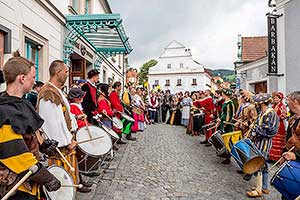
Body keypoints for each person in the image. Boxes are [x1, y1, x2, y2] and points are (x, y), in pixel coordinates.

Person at [0, 51, 61, 199]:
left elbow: (27, 134)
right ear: (22, 78)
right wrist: (47, 177)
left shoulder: (22, 104)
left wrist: (43, 144)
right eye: (33, 77)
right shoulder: (4, 111)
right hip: (14, 187)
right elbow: (16, 155)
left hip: (28, 180)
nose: (35, 81)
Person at [37, 60, 91, 193]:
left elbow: (61, 116)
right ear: (58, 72)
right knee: (61, 181)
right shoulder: (48, 93)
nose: (67, 74)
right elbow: (51, 124)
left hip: (66, 142)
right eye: (66, 72)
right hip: (61, 146)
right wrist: (67, 141)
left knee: (69, 177)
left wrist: (75, 119)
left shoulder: (56, 91)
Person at [246, 93, 279, 198]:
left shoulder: (271, 113)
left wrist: (255, 128)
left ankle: (258, 190)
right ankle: (264, 187)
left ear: (261, 103)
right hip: (258, 142)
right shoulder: (263, 113)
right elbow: (258, 124)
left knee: (258, 164)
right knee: (263, 165)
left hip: (264, 143)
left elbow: (271, 130)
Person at [216, 88, 235, 164]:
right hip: (223, 123)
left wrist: (223, 121)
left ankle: (228, 157)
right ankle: (225, 154)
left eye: (223, 93)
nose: (222, 95)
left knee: (228, 141)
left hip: (227, 125)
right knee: (224, 140)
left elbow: (229, 115)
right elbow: (223, 113)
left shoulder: (230, 103)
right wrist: (220, 119)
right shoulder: (225, 102)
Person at [269, 92, 287, 161]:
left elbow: (284, 116)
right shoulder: (273, 106)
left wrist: (276, 118)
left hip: (280, 125)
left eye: (277, 98)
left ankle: (278, 157)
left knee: (279, 142)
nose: (275, 99)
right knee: (273, 141)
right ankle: (272, 157)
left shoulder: (282, 106)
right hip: (273, 125)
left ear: (280, 99)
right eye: (274, 98)